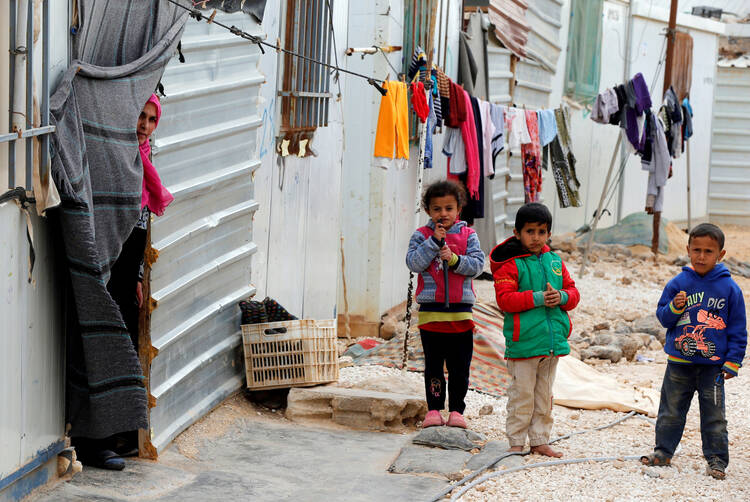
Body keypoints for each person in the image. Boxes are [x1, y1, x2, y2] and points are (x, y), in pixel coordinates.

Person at [76, 94, 173, 470]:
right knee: (101, 350)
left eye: (151, 119)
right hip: (105, 267)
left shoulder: (146, 164)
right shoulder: (117, 161)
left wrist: (136, 275)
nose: (143, 125)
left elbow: (142, 225)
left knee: (125, 348)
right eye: (140, 116)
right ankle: (91, 440)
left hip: (125, 273)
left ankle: (116, 434)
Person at [640, 223, 746, 480]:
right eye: (696, 250)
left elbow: (738, 328)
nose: (701, 256)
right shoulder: (679, 283)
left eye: (708, 251)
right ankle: (663, 452)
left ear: (720, 255)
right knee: (671, 411)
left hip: (713, 368)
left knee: (714, 416)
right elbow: (663, 318)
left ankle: (717, 460)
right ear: (687, 250)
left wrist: (733, 361)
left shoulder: (730, 289)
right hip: (679, 364)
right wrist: (675, 308)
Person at [490, 203, 580, 457]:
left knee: (544, 397)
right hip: (524, 343)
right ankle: (516, 442)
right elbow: (505, 300)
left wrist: (561, 296)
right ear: (517, 233)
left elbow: (574, 293)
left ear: (549, 233)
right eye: (530, 231)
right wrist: (540, 298)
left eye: (542, 232)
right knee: (522, 396)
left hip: (551, 344)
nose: (536, 237)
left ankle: (540, 440)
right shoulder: (510, 265)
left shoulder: (554, 262)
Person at [406, 180, 485, 429]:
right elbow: (413, 263)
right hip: (431, 316)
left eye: (449, 208)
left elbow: (476, 266)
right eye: (437, 209)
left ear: (458, 209)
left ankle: (457, 411)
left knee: (459, 367)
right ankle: (434, 410)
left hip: (461, 315)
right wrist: (433, 244)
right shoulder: (421, 236)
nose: (443, 214)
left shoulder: (468, 235)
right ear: (428, 211)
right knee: (433, 366)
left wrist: (453, 259)